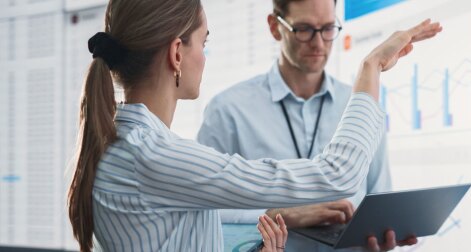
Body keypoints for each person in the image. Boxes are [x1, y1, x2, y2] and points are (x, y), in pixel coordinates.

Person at [65, 0, 442, 251]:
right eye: (204, 42)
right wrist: (371, 68)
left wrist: (274, 229)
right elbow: (338, 174)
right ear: (177, 53)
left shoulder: (130, 145)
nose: (205, 56)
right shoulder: (153, 156)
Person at [196, 0, 394, 250]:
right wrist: (281, 213)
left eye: (328, 28)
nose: (319, 43)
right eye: (304, 29)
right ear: (275, 27)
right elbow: (203, 207)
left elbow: (379, 195)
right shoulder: (228, 110)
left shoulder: (360, 106)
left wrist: (382, 235)